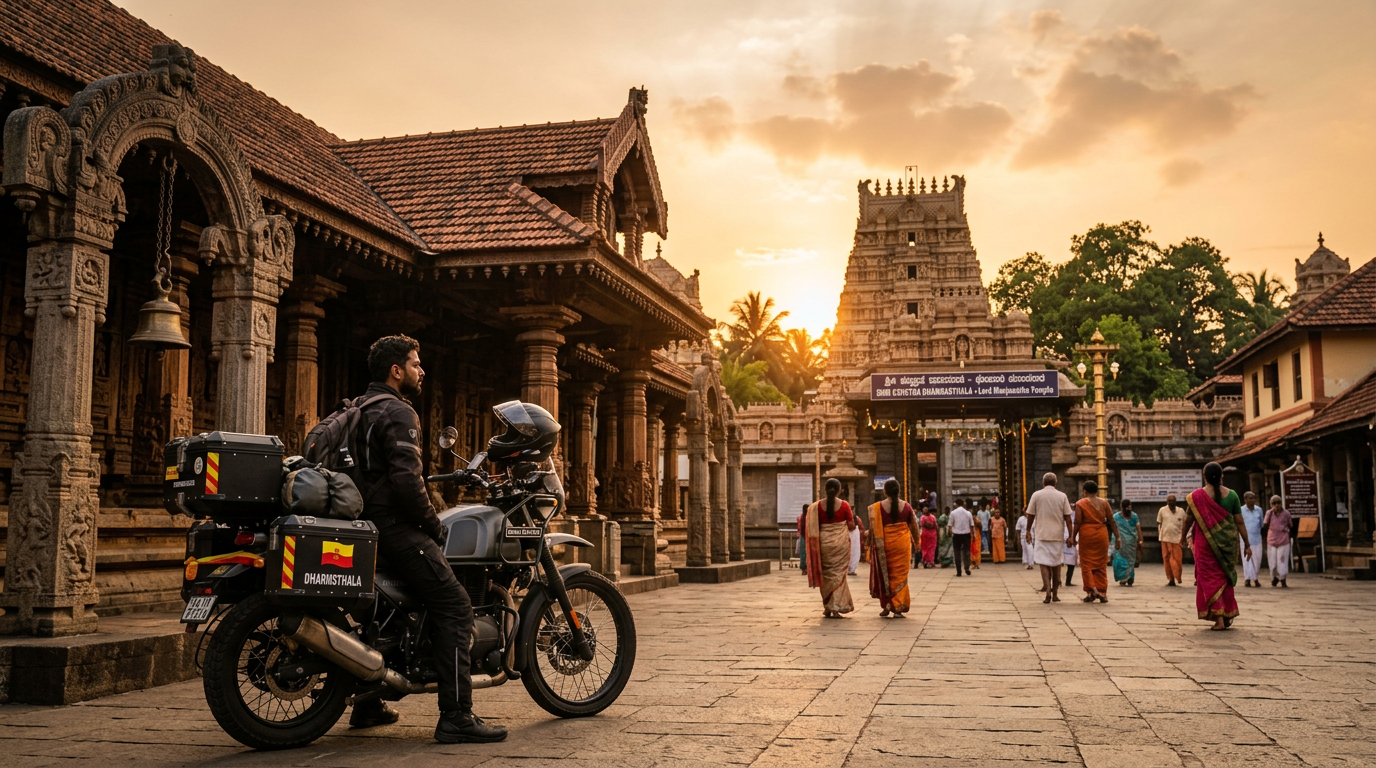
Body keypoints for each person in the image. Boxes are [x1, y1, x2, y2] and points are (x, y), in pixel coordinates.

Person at [355, 335, 506, 743]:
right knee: (456, 606)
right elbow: (407, 482)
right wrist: (433, 524)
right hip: (392, 528)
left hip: (360, 527)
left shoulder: (356, 408)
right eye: (416, 364)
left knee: (381, 615)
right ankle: (457, 715)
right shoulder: (398, 412)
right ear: (396, 371)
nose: (422, 371)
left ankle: (367, 702)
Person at [1182, 462, 1253, 630]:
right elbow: (1239, 521)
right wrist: (1247, 544)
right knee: (1224, 577)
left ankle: (1219, 618)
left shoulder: (1196, 497)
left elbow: (1188, 520)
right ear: (1222, 477)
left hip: (1205, 545)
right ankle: (1227, 614)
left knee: (1208, 579)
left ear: (1204, 477)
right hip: (1228, 543)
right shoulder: (1233, 495)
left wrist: (1182, 537)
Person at [867, 479, 921, 617]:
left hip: (884, 545)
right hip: (902, 545)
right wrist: (917, 543)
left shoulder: (877, 507)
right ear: (899, 491)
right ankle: (898, 607)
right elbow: (914, 527)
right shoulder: (907, 506)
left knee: (885, 575)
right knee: (900, 577)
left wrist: (868, 543)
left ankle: (886, 606)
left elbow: (873, 529)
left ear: (884, 492)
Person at [804, 478, 856, 618]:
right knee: (838, 575)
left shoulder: (816, 507)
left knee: (826, 575)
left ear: (825, 490)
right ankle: (835, 606)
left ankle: (827, 606)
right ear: (840, 490)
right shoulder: (845, 505)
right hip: (840, 545)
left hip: (823, 544)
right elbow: (851, 526)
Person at [1027, 473, 1074, 603]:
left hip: (1042, 534)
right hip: (1057, 535)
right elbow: (1068, 518)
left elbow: (1030, 515)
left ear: (1043, 482)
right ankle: (1055, 594)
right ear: (1056, 482)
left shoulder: (1036, 495)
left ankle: (1047, 591)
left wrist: (1027, 530)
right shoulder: (1062, 496)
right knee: (1056, 564)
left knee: (1043, 563)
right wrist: (1070, 535)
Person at [1073, 482, 1118, 603]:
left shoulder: (1080, 503)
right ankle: (1102, 592)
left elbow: (1077, 522)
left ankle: (1091, 591)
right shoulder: (1104, 503)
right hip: (1101, 535)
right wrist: (1118, 537)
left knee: (1087, 565)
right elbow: (1112, 521)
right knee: (1101, 564)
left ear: (1085, 491)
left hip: (1087, 535)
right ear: (1096, 491)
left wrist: (1072, 537)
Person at [1262, 495, 1293, 588]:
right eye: (1274, 503)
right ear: (1271, 504)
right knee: (1273, 563)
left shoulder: (1286, 513)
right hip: (1272, 540)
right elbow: (1265, 525)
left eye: (1278, 503)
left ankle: (1283, 579)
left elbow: (1290, 524)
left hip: (1283, 540)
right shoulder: (1269, 513)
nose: (1276, 505)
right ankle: (1274, 577)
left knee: (1282, 560)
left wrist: (1284, 529)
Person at [1112, 499, 1143, 587]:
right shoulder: (1116, 517)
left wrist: (1141, 540)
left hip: (1131, 543)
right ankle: (1122, 578)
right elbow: (1113, 528)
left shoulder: (1134, 516)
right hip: (1120, 543)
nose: (1128, 509)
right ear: (1122, 508)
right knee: (1119, 561)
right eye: (1127, 507)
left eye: (1130, 507)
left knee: (1130, 561)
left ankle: (1130, 577)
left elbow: (1138, 528)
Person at [1239, 491, 1265, 588]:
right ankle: (1249, 579)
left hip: (1257, 538)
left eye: (1253, 498)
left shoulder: (1259, 510)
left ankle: (1255, 576)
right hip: (1245, 539)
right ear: (1245, 500)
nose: (1252, 500)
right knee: (1247, 560)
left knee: (1257, 560)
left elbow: (1261, 524)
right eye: (1249, 498)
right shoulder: (1241, 510)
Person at [948, 500, 975, 576]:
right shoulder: (968, 513)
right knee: (966, 552)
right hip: (966, 534)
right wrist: (973, 535)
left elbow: (950, 525)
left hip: (956, 535)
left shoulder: (953, 513)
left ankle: (959, 571)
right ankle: (967, 568)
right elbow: (972, 525)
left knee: (957, 553)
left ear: (956, 504)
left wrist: (949, 532)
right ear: (963, 504)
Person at [847, 487, 865, 577]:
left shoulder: (857, 518)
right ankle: (847, 569)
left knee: (855, 552)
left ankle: (852, 569)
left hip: (855, 537)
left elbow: (861, 528)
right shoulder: (845, 519)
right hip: (847, 537)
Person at [919, 504, 939, 568]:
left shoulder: (932, 517)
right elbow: (927, 525)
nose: (925, 510)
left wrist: (937, 533)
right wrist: (931, 526)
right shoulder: (922, 517)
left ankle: (930, 561)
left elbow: (935, 526)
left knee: (932, 549)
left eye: (926, 509)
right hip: (925, 535)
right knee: (924, 548)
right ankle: (925, 561)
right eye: (924, 509)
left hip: (932, 535)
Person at [796, 503, 810, 575]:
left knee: (803, 554)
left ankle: (804, 569)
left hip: (803, 536)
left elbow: (799, 528)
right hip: (806, 536)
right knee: (805, 554)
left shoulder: (800, 517)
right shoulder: (807, 517)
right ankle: (805, 568)